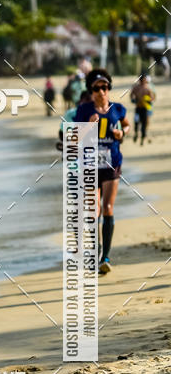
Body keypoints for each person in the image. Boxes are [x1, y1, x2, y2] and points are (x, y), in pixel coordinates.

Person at [75, 69, 130, 275]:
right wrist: (87, 126)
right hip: (89, 164)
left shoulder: (118, 109)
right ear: (91, 90)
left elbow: (127, 125)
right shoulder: (83, 110)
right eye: (97, 88)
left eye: (104, 87)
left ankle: (105, 257)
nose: (101, 91)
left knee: (107, 207)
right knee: (93, 210)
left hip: (111, 164)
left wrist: (121, 133)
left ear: (109, 89)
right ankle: (95, 250)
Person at [130, 74, 155, 145]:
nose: (143, 81)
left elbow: (152, 98)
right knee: (136, 122)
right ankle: (136, 133)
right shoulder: (136, 87)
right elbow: (131, 95)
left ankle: (142, 139)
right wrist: (133, 100)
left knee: (144, 124)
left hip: (144, 109)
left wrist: (148, 100)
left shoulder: (147, 88)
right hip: (138, 108)